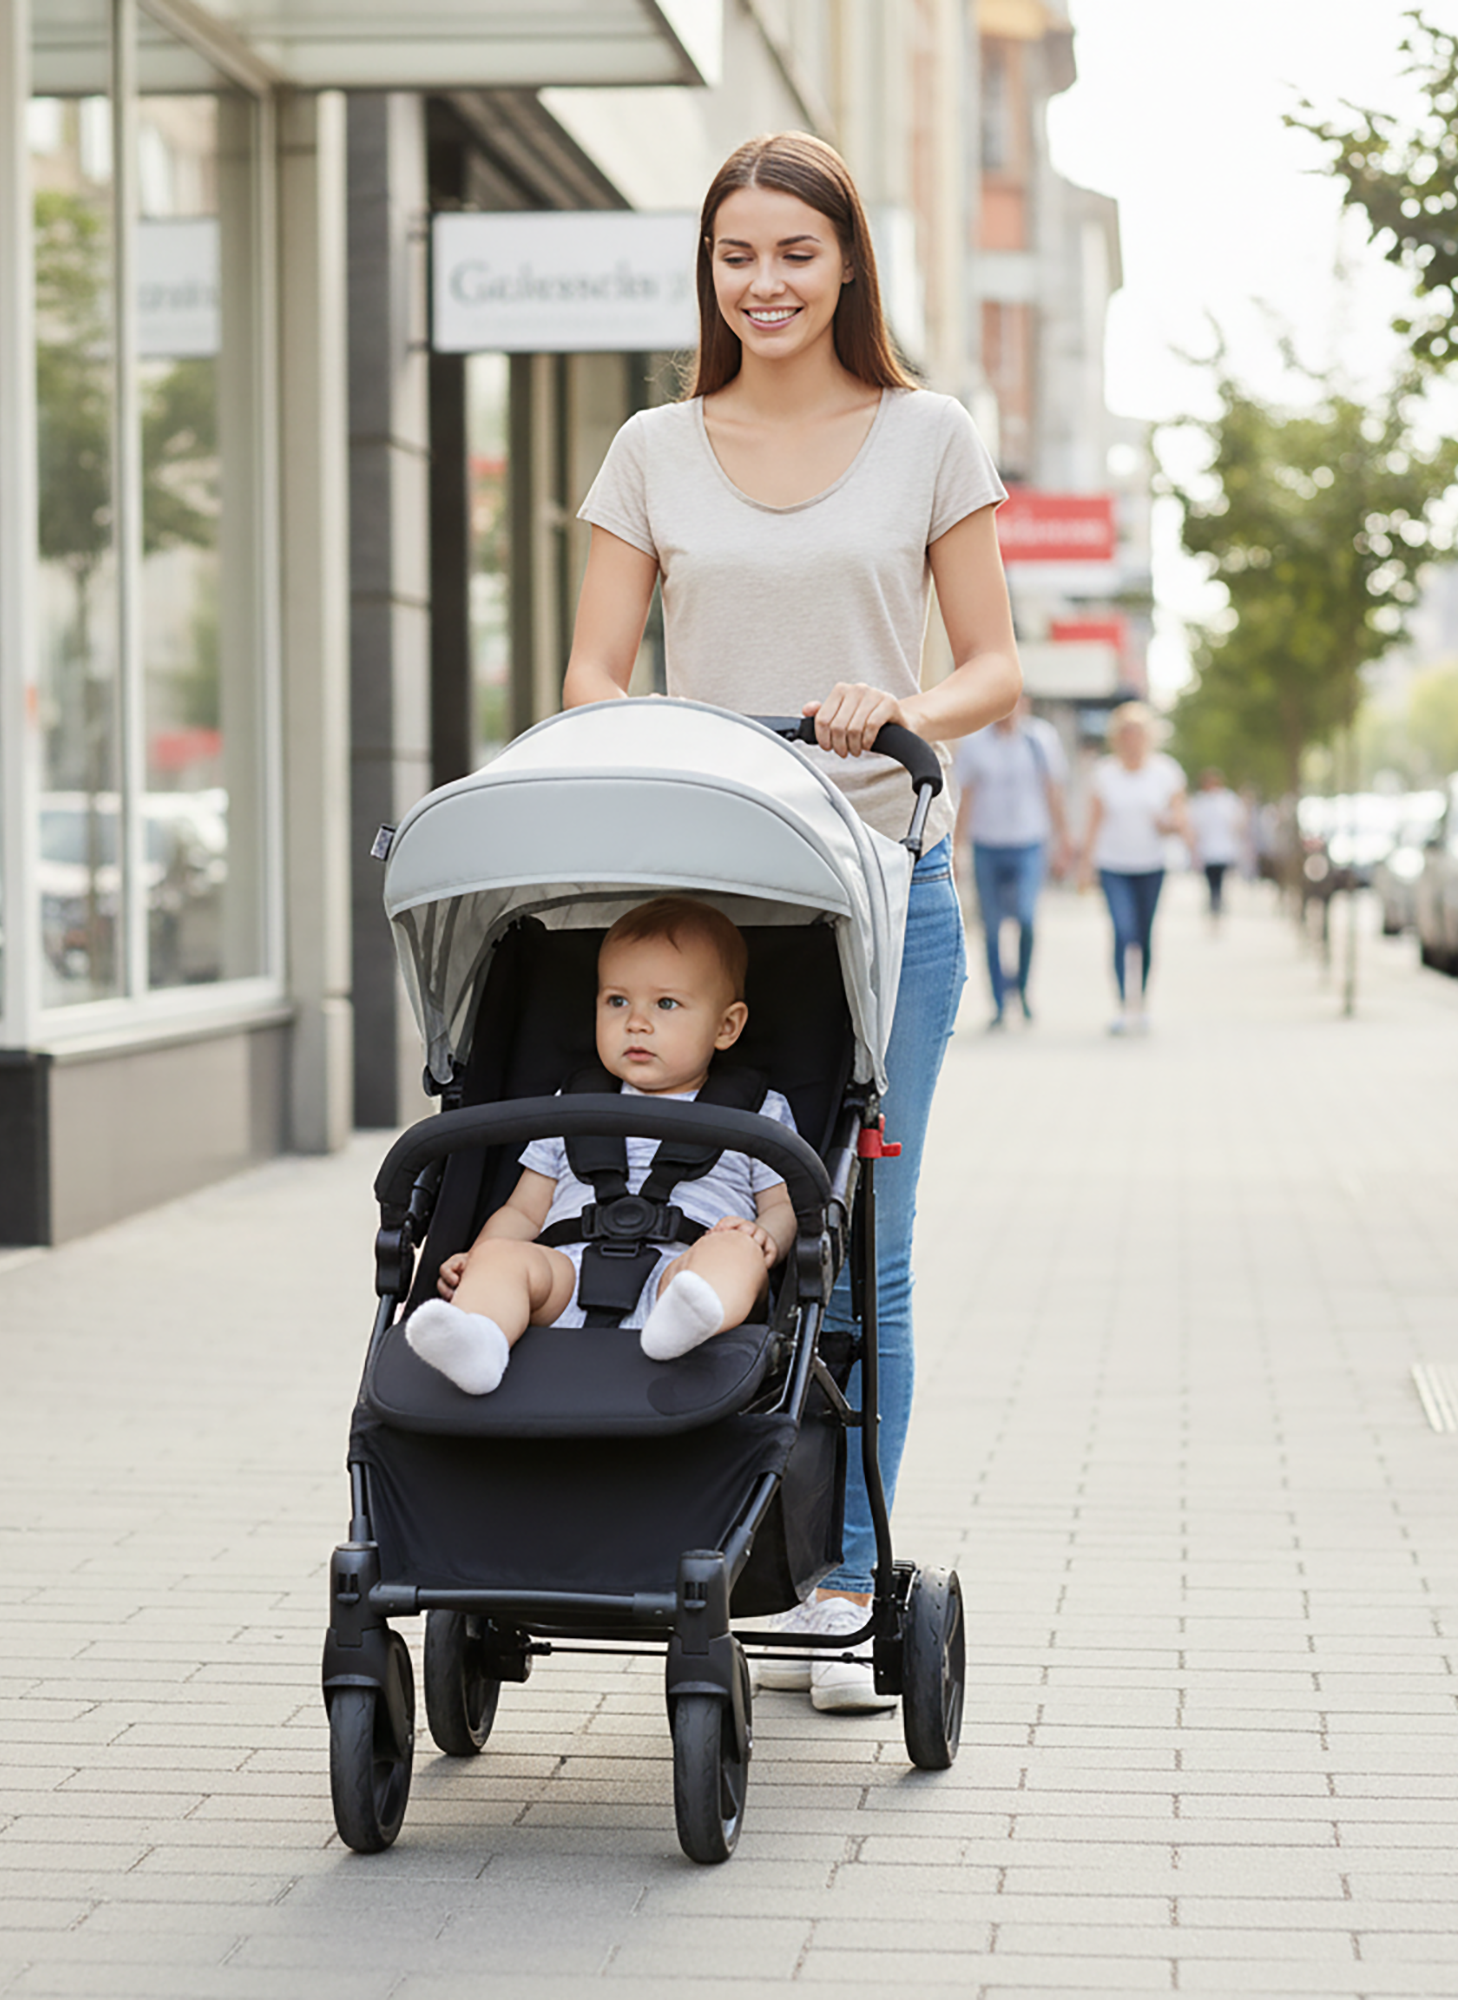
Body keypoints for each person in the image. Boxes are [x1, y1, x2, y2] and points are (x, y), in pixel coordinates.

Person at [562, 131, 1023, 1710]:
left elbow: (995, 667)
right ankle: (680, 1524)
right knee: (665, 1209)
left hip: (890, 885)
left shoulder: (928, 434)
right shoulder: (651, 446)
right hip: (717, 900)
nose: (764, 284)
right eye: (736, 256)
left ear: (847, 268)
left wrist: (893, 704)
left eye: (794, 255)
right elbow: (590, 678)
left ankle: (836, 1574)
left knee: (855, 1240)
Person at [405, 898, 799, 1396]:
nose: (636, 1022)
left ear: (726, 1026)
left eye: (666, 1004)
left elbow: (785, 1204)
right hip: (566, 1273)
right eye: (617, 1001)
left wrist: (765, 1237)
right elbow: (525, 1211)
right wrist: (479, 1258)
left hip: (684, 1268)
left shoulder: (757, 1110)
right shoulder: (572, 1103)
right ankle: (480, 1338)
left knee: (736, 1253)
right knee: (504, 1256)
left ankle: (687, 1319)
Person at [951, 692, 1069, 1025]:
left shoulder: (1041, 738)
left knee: (1026, 920)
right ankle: (1000, 1003)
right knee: (990, 927)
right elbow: (966, 798)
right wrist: (957, 850)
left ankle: (1023, 989)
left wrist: (1063, 840)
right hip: (987, 844)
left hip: (1029, 843)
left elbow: (1053, 791)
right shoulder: (975, 743)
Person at [1079, 702, 1187, 1035]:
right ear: (1117, 737)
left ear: (1147, 736)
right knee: (1122, 932)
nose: (1131, 738)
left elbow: (1181, 820)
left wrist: (1167, 824)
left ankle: (1141, 1004)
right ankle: (1124, 1005)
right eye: (1125, 732)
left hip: (1151, 866)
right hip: (1113, 866)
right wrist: (1085, 864)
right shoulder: (1105, 774)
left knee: (1144, 935)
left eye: (1137, 732)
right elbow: (1094, 823)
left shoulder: (1166, 772)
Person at [1187, 766, 1245, 919]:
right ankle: (1214, 901)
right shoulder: (1199, 801)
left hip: (1224, 849)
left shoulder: (1228, 799)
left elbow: (1238, 822)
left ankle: (1217, 901)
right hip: (1206, 850)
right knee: (1210, 878)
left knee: (1220, 878)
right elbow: (1193, 825)